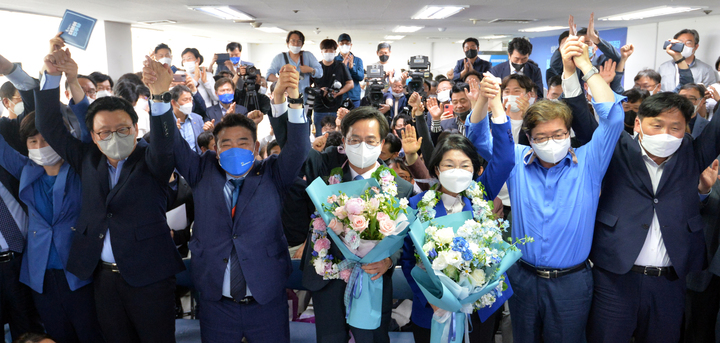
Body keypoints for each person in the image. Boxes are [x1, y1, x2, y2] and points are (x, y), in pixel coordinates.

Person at [467, 31, 625, 342]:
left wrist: (583, 65)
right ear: (529, 138)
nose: (550, 142)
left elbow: (614, 118)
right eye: (540, 137)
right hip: (523, 276)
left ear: (569, 134)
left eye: (557, 134)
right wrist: (484, 100)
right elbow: (478, 139)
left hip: (572, 281)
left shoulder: (590, 160)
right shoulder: (516, 160)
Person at [37, 49, 184, 343]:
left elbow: (166, 142)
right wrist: (52, 77)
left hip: (149, 277)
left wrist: (159, 97)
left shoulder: (153, 159)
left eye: (122, 129)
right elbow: (50, 126)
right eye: (104, 132)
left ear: (135, 128)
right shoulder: (87, 158)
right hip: (102, 277)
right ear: (92, 135)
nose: (114, 137)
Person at [165, 62, 309, 342]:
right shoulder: (201, 171)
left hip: (265, 300)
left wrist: (293, 100)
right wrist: (160, 99)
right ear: (215, 150)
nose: (234, 149)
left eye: (243, 142)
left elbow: (299, 148)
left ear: (256, 148)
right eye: (226, 144)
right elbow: (172, 146)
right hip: (217, 303)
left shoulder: (273, 173)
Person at [578, 79, 720, 343]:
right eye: (657, 125)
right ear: (638, 125)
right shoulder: (616, 148)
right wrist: (575, 72)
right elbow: (581, 120)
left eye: (676, 127)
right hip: (615, 278)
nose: (666, 134)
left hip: (669, 283)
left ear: (685, 129)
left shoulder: (691, 153)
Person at [400, 76, 515, 343]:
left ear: (476, 171)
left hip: (479, 307)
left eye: (465, 166)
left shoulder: (481, 196)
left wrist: (494, 103)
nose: (457, 171)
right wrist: (431, 299)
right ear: (437, 169)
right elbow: (408, 262)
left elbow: (506, 157)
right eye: (449, 165)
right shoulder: (418, 206)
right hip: (432, 310)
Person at [0, 77, 105, 342]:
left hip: (79, 271)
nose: (39, 147)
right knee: (57, 336)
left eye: (45, 140)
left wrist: (67, 77)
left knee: (90, 334)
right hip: (40, 275)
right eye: (32, 142)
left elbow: (86, 129)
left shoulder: (82, 169)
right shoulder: (27, 170)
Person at [312, 39, 353, 137]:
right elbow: (307, 87)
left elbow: (350, 84)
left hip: (336, 108)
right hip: (319, 108)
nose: (329, 53)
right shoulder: (316, 67)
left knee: (337, 136)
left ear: (335, 51)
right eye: (326, 51)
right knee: (320, 136)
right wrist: (320, 91)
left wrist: (338, 93)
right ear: (321, 52)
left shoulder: (340, 66)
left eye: (331, 51)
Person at [267, 31, 323, 99]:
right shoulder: (279, 58)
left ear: (302, 44)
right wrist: (282, 82)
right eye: (293, 41)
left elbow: (320, 73)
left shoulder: (308, 56)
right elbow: (268, 75)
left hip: (305, 98)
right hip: (286, 98)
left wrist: (311, 70)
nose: (296, 44)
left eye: (299, 41)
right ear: (288, 43)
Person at [170, 85, 205, 154]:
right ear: (173, 102)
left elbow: (203, 144)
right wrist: (174, 132)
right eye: (185, 100)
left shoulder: (197, 119)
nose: (189, 103)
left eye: (190, 99)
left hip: (196, 159)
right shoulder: (167, 121)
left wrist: (208, 132)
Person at [335, 33, 364, 108]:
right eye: (342, 43)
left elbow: (360, 77)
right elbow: (333, 78)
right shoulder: (334, 60)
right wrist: (342, 67)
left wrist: (352, 68)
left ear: (351, 45)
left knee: (355, 118)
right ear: (338, 45)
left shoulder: (357, 60)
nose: (344, 45)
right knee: (339, 118)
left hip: (354, 97)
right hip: (339, 96)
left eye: (347, 43)